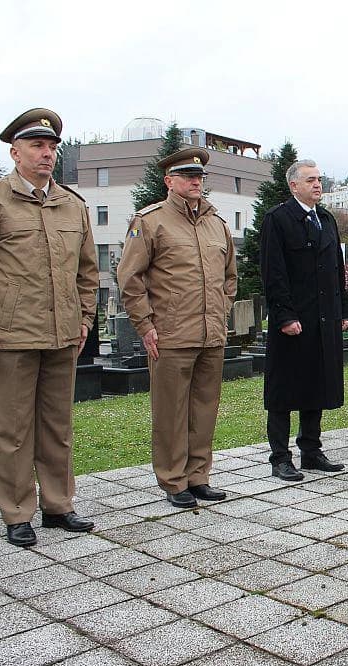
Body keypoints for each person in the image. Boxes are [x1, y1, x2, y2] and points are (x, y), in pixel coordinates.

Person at [0, 108, 99, 546]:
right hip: (12, 335)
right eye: (37, 145)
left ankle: (58, 505)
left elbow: (88, 271)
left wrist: (85, 318)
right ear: (15, 152)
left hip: (62, 334)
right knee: (14, 429)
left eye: (52, 146)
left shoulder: (72, 204)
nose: (47, 154)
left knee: (58, 425)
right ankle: (17, 511)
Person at [117, 148, 237, 508]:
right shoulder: (150, 221)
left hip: (210, 333)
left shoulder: (217, 224)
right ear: (169, 181)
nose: (195, 182)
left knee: (204, 408)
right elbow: (130, 278)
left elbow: (230, 278)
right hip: (169, 335)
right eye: (187, 176)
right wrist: (146, 324)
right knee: (171, 411)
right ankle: (173, 480)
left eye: (199, 177)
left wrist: (221, 310)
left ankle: (199, 476)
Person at [260, 160, 348, 481]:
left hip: (323, 319)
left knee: (317, 384)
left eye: (319, 179)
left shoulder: (326, 219)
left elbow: (337, 270)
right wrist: (284, 315)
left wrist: (343, 312)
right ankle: (280, 457)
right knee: (284, 390)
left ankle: (311, 450)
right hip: (293, 320)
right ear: (294, 185)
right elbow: (273, 272)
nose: (317, 184)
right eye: (310, 180)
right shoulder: (279, 219)